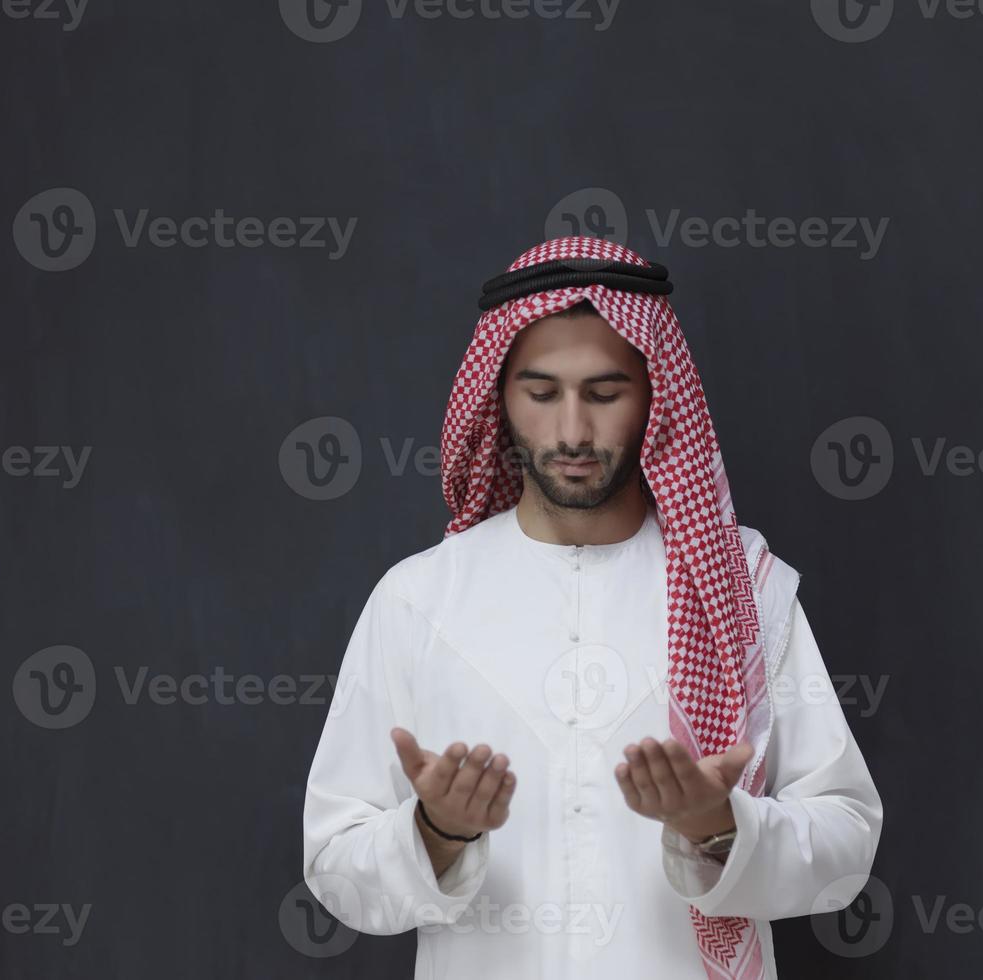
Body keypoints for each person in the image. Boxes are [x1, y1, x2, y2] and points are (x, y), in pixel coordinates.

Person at [302, 236, 883, 979]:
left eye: (604, 394)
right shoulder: (417, 600)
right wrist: (435, 832)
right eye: (541, 394)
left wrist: (718, 830)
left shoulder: (743, 590)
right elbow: (334, 864)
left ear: (654, 397)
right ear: (498, 398)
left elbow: (844, 845)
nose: (572, 431)